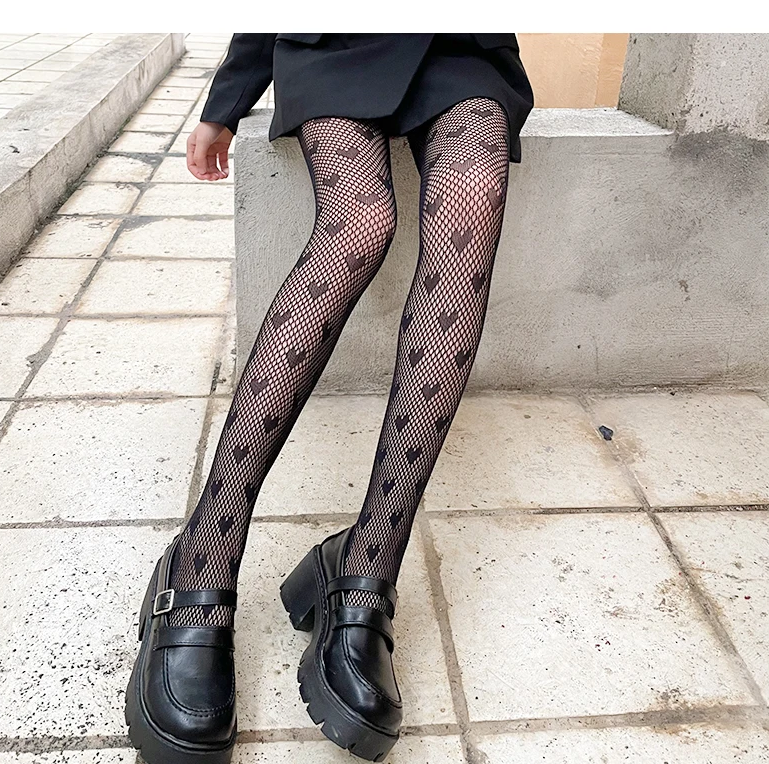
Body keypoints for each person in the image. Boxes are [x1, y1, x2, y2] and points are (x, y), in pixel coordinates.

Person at [125, 32, 534, 764]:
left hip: (459, 48)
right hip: (336, 42)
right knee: (361, 221)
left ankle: (368, 563)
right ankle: (203, 554)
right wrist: (226, 102)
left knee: (472, 206)